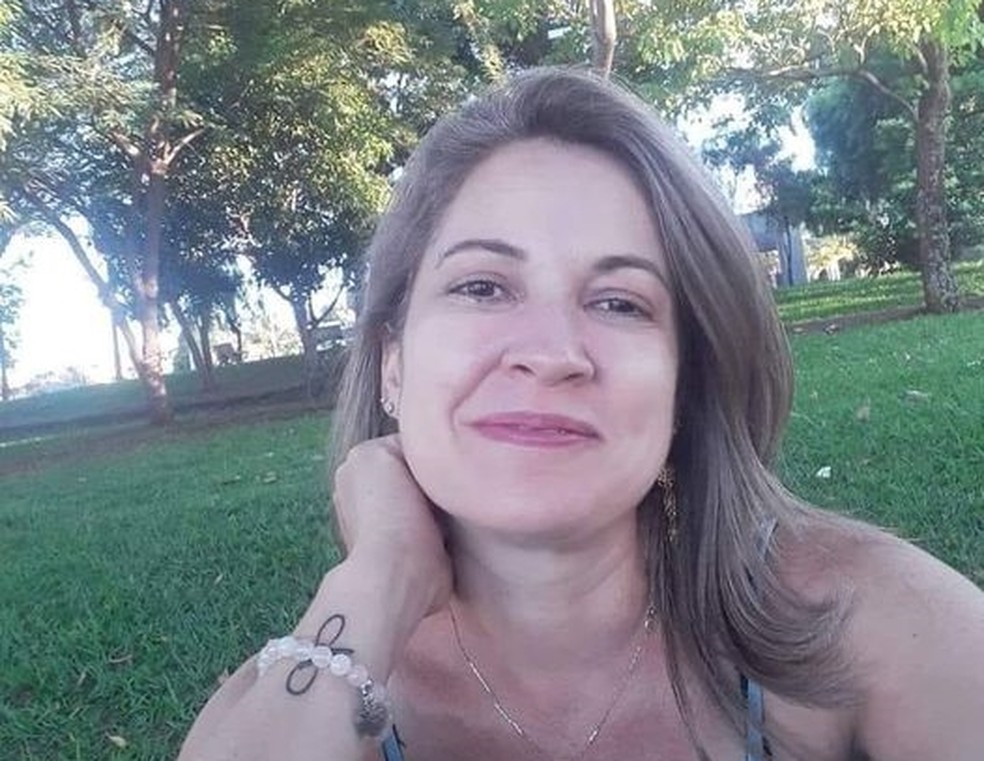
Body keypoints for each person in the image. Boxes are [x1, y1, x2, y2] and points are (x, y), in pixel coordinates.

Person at [178, 67, 984, 761]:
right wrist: (380, 573)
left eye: (619, 301)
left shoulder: (865, 619)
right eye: (482, 286)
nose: (552, 351)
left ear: (685, 381)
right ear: (394, 362)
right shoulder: (324, 681)